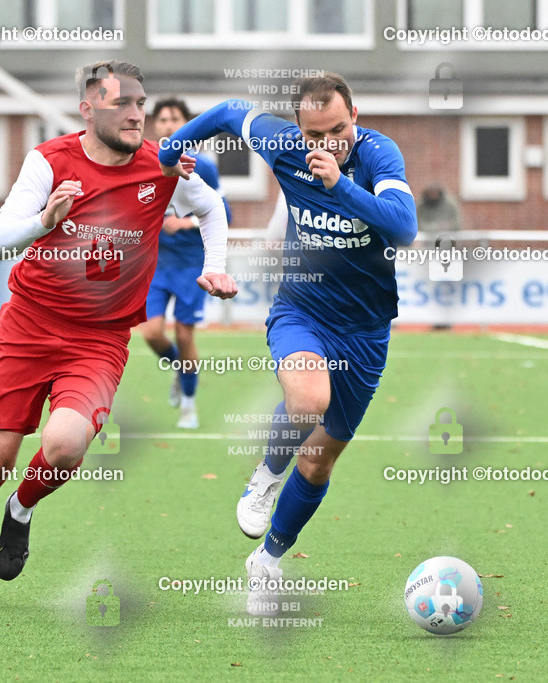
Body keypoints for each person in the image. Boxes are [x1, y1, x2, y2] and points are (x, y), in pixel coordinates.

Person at [0, 60, 236, 609]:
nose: (136, 116)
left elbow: (211, 207)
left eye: (141, 104)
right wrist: (44, 220)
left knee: (62, 447)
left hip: (98, 340)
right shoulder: (50, 160)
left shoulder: (164, 164)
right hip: (28, 326)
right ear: (88, 109)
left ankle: (21, 509)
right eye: (121, 105)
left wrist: (217, 263)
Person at [159, 73, 417, 614]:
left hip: (367, 330)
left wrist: (340, 187)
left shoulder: (377, 155)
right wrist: (172, 149)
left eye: (339, 129)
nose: (327, 143)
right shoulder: (284, 145)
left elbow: (404, 226)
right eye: (315, 133)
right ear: (297, 128)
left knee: (321, 462)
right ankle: (265, 475)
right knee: (306, 401)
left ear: (356, 114)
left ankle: (267, 561)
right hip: (301, 310)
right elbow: (231, 112)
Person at [142, 97, 232, 428]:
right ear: (155, 125)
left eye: (175, 119)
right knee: (151, 333)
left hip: (191, 263)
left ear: (186, 125)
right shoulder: (144, 162)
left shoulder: (202, 166)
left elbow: (226, 213)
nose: (168, 124)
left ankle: (189, 405)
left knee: (184, 334)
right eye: (163, 119)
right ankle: (181, 369)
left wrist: (186, 222)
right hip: (155, 264)